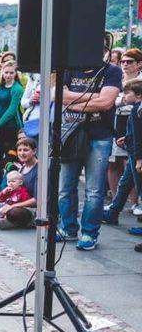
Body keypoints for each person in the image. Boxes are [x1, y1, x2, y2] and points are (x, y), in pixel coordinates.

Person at [57, 35, 123, 250]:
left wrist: (73, 101)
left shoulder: (112, 71)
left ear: (105, 49)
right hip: (70, 133)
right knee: (65, 187)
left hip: (99, 136)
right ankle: (68, 228)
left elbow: (105, 103)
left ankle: (89, 232)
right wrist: (91, 97)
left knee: (94, 190)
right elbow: (57, 96)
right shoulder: (69, 69)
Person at [103, 78, 142, 225]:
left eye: (127, 93)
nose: (123, 97)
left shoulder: (137, 111)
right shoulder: (136, 109)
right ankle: (113, 213)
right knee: (125, 184)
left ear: (138, 95)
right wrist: (127, 138)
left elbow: (139, 137)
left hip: (136, 155)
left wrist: (139, 158)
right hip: (133, 153)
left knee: (139, 189)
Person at [0, 137, 39, 230]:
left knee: (14, 212)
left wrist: (12, 206)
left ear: (34, 151)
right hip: (17, 201)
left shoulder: (39, 169)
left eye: (26, 150)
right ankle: (10, 220)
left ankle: (18, 221)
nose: (22, 153)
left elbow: (37, 200)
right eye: (19, 150)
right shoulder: (22, 168)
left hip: (33, 208)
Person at [0, 61, 24, 156]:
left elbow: (12, 110)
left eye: (11, 73)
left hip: (10, 125)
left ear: (15, 74)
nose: (8, 75)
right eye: (6, 72)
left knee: (10, 153)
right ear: (2, 73)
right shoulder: (0, 87)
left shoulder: (17, 88)